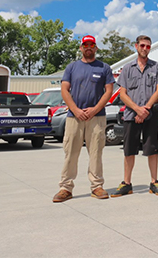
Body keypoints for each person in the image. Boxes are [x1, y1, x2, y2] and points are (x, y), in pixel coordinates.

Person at [53, 35, 115, 203]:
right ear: (81, 48)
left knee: (96, 152)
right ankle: (65, 187)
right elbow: (65, 90)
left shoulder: (104, 68)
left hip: (97, 118)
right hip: (75, 117)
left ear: (95, 48)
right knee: (70, 152)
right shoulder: (72, 67)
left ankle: (97, 186)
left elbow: (108, 91)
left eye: (91, 45)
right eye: (85, 45)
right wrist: (75, 110)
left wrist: (95, 110)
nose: (88, 47)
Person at [112, 35, 158, 197]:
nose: (145, 48)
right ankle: (127, 183)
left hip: (150, 115)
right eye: (142, 45)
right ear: (136, 46)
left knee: (152, 149)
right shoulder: (128, 69)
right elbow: (122, 94)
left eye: (148, 46)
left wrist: (146, 109)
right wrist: (137, 109)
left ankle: (154, 182)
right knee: (129, 150)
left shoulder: (156, 67)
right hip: (131, 115)